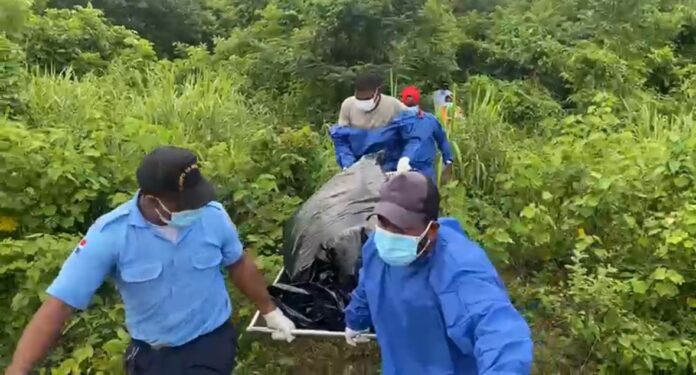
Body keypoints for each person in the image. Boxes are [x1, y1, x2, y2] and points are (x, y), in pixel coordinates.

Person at [5, 146, 296, 375]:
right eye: (184, 204)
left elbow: (238, 263)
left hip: (211, 342)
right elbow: (59, 305)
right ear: (152, 198)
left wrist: (269, 310)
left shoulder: (212, 215)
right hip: (153, 357)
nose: (194, 208)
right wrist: (17, 370)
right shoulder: (111, 236)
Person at [344, 172, 534, 375]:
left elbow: (500, 332)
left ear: (431, 230)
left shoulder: (459, 268)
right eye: (383, 221)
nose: (389, 234)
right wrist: (356, 319)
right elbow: (369, 284)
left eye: (401, 228)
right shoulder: (376, 247)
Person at [396, 85, 455, 183]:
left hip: (416, 170)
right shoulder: (429, 119)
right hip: (408, 170)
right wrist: (448, 160)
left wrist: (448, 160)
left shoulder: (397, 120)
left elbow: (442, 140)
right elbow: (443, 140)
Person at [337, 71, 407, 129]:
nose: (362, 102)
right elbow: (342, 133)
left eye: (367, 98)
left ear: (378, 91)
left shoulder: (393, 104)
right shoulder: (348, 105)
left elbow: (411, 118)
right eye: (359, 98)